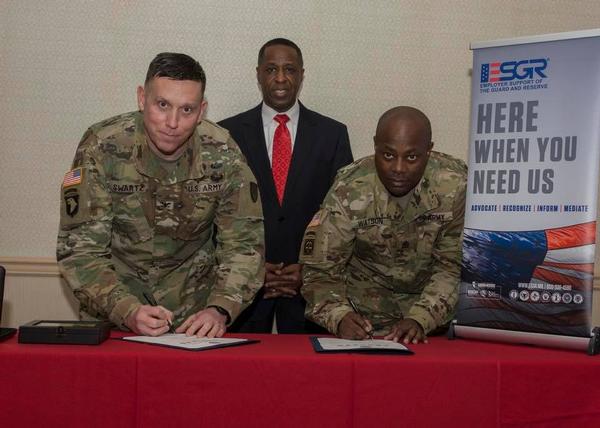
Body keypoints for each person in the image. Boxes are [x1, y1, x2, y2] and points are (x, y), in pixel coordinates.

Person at [57, 52, 264, 338]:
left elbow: (244, 245)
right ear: (142, 99)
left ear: (202, 110)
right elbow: (80, 250)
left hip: (195, 320)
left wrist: (221, 308)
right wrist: (127, 310)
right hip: (111, 311)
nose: (172, 122)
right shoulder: (103, 147)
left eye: (187, 110)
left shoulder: (223, 152)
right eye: (163, 105)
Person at [219, 38, 353, 333]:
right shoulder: (225, 134)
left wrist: (310, 270)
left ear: (302, 74)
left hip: (310, 290)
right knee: (241, 374)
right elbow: (217, 214)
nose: (280, 78)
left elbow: (342, 216)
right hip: (244, 292)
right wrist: (251, 270)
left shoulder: (332, 135)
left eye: (289, 69)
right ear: (258, 74)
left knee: (311, 376)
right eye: (271, 69)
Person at [300, 106, 467, 344]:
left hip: (431, 323)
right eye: (388, 155)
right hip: (362, 323)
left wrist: (421, 318)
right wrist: (339, 317)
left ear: (429, 151)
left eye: (411, 157)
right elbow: (319, 271)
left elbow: (453, 268)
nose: (398, 168)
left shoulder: (454, 186)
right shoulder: (350, 188)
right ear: (375, 145)